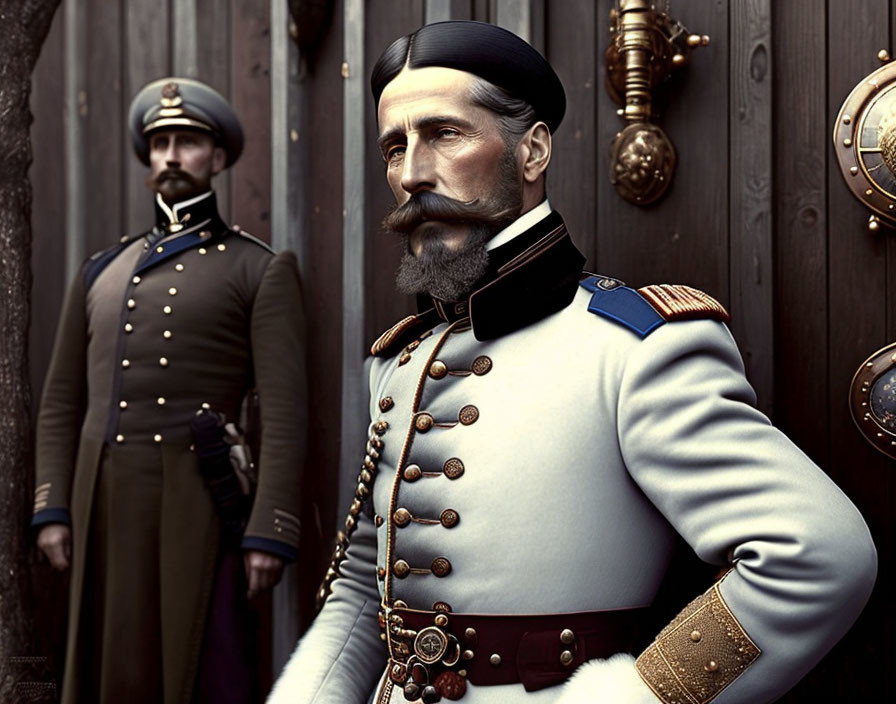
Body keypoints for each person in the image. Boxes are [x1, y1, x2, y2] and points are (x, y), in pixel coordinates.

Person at [268, 20, 876, 704]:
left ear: (531, 151)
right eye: (394, 146)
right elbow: (360, 585)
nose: (410, 173)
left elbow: (818, 557)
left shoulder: (633, 348)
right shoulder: (401, 361)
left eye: (443, 134)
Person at [33, 77, 306, 704]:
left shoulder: (258, 269)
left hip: (198, 505)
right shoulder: (102, 270)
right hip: (101, 500)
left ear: (217, 157)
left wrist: (271, 530)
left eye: (187, 142)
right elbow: (60, 402)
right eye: (159, 144)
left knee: (199, 670)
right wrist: (52, 506)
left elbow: (286, 413)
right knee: (110, 671)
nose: (171, 156)